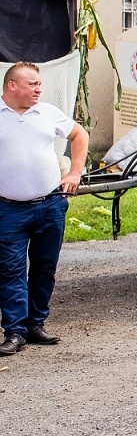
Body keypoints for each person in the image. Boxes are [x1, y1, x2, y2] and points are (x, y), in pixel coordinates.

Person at [0, 62, 88, 356]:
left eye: (40, 84)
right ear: (12, 86)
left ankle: (35, 324)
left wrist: (74, 173)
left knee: (44, 268)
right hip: (9, 209)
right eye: (32, 84)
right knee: (10, 270)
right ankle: (15, 331)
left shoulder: (48, 113)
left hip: (50, 204)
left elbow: (79, 136)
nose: (39, 89)